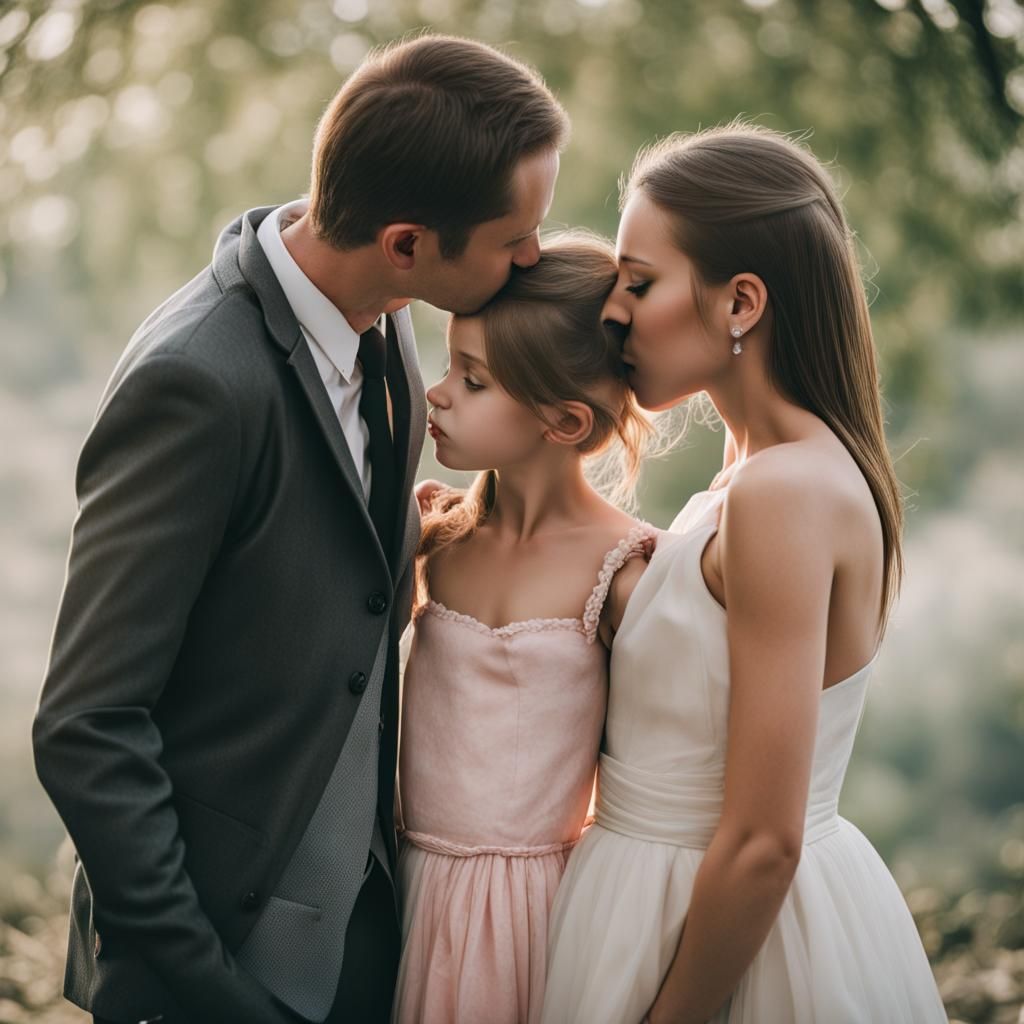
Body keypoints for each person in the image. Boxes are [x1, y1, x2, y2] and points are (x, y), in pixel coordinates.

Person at [32, 34, 566, 1024]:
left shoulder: (389, 312)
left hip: (368, 935)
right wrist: (203, 985)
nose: (532, 254)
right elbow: (85, 726)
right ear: (406, 242)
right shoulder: (195, 384)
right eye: (512, 237)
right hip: (221, 961)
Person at [541, 124, 947, 1023]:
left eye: (640, 284)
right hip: (660, 905)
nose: (615, 313)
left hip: (727, 948)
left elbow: (764, 839)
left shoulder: (783, 494)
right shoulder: (755, 478)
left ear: (741, 302)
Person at [392, 233, 657, 1024]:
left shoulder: (626, 571)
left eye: (472, 381)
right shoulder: (434, 535)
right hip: (406, 892)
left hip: (542, 916)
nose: (437, 394)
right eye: (448, 368)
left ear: (565, 421)